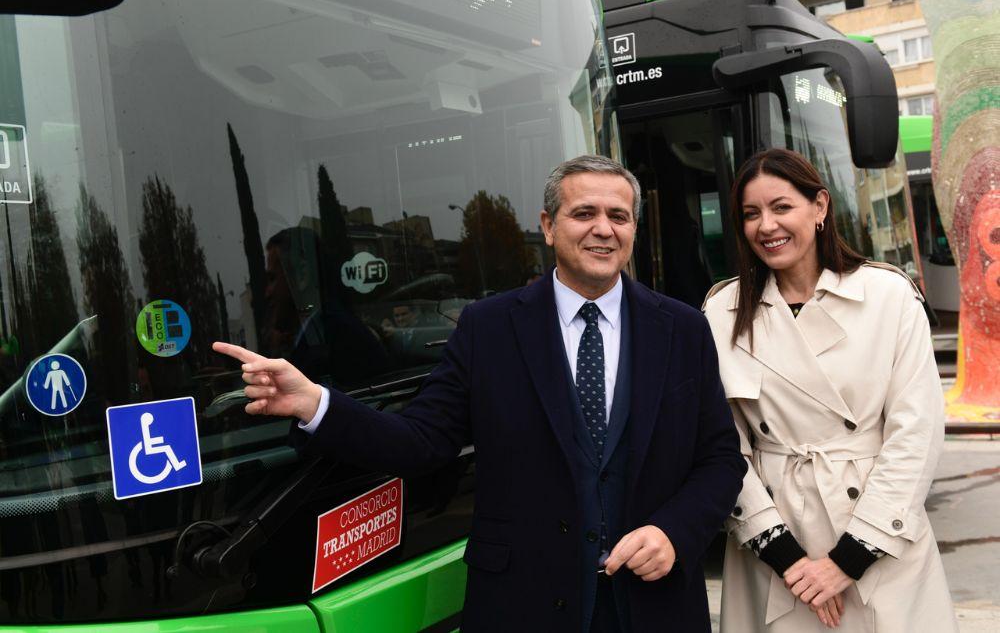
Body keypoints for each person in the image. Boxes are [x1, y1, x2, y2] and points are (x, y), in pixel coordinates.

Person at [214, 154, 746, 632]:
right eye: (584, 214)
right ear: (548, 226)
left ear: (633, 229)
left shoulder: (680, 327)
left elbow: (720, 458)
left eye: (619, 216)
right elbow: (423, 440)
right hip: (525, 604)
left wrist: (675, 532)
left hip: (653, 606)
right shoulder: (488, 328)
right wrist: (316, 404)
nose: (603, 229)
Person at [702, 148, 958, 632]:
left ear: (819, 207)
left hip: (879, 533)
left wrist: (847, 560)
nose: (767, 226)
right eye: (751, 214)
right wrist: (785, 556)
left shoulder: (887, 295)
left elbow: (916, 432)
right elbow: (722, 445)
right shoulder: (722, 311)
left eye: (782, 207)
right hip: (773, 543)